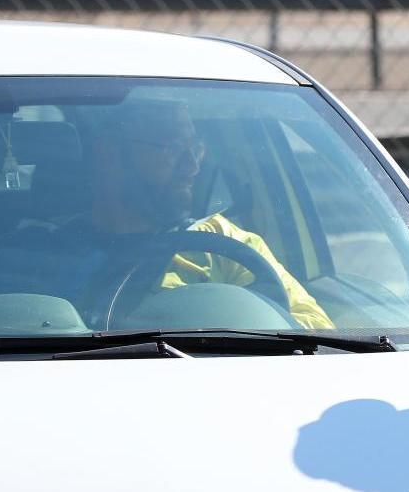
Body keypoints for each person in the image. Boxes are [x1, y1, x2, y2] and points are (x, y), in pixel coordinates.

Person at [81, 99, 333, 330]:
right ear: (108, 153)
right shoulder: (49, 252)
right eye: (173, 148)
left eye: (196, 148)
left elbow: (315, 331)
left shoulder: (226, 244)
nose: (192, 165)